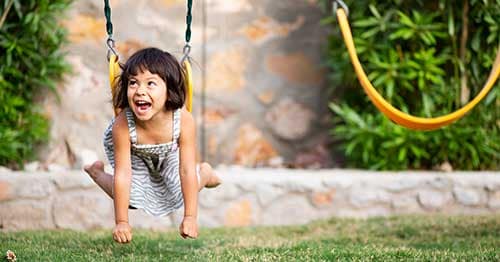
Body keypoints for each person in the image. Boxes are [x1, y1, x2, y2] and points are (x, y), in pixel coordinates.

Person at [84, 47, 221, 244]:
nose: (140, 91)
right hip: (136, 156)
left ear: (169, 90)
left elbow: (185, 170)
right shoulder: (123, 124)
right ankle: (97, 173)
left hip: (169, 153)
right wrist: (122, 222)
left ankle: (205, 174)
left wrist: (190, 217)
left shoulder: (182, 120)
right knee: (129, 197)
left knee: (178, 190)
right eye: (133, 83)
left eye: (150, 83)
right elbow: (123, 174)